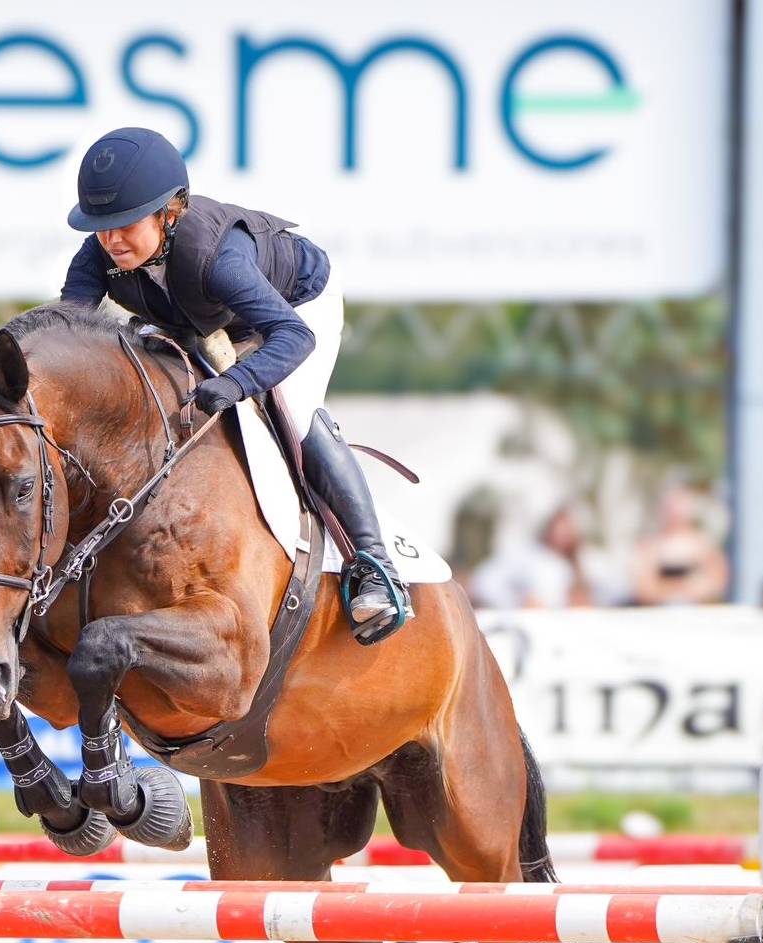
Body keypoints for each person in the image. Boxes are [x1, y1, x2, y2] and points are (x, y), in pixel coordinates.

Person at [58, 127, 409, 644]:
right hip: (205, 319)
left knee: (292, 410)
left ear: (169, 212)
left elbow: (294, 336)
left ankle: (376, 567)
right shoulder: (101, 256)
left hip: (292, 312)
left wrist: (238, 382)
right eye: (101, 227)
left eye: (125, 225)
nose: (110, 240)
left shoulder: (218, 258)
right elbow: (65, 334)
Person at [470, 506, 616, 610]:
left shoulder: (587, 559)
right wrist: (518, 602)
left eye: (569, 528)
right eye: (560, 527)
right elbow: (486, 581)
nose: (565, 534)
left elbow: (614, 589)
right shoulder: (530, 557)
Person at [630, 485, 731, 606]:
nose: (675, 511)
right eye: (671, 506)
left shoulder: (703, 546)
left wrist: (689, 588)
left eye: (680, 505)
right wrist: (673, 588)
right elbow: (643, 588)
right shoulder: (652, 547)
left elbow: (718, 583)